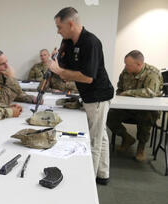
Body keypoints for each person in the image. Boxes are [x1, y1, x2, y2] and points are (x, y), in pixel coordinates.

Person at [48, 7, 114, 185]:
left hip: (98, 95)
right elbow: (65, 66)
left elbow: (87, 77)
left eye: (59, 27)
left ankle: (89, 182)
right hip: (88, 95)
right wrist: (57, 62)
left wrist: (60, 70)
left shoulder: (90, 42)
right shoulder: (68, 42)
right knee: (101, 135)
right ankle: (103, 173)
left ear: (70, 24)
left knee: (94, 139)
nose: (58, 31)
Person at [107, 50, 163, 161]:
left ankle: (141, 148)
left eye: (128, 65)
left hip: (146, 110)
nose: (126, 67)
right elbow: (120, 89)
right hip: (128, 109)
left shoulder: (153, 73)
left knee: (146, 116)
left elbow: (150, 92)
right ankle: (126, 138)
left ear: (139, 64)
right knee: (109, 115)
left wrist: (129, 93)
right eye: (125, 64)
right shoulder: (126, 71)